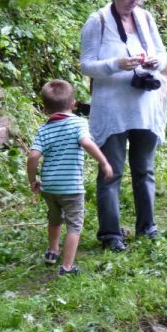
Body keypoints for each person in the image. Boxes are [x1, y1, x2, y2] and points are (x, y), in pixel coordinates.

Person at [80, 0, 167, 252]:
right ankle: (110, 234)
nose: (133, 3)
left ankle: (148, 227)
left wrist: (156, 62)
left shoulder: (145, 17)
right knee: (111, 171)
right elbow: (86, 64)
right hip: (112, 108)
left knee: (144, 169)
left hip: (144, 105)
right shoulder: (98, 21)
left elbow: (163, 52)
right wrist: (116, 64)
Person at [27, 80, 113, 275]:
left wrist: (33, 179)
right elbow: (86, 143)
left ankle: (52, 251)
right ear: (73, 103)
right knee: (74, 225)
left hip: (49, 187)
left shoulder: (44, 129)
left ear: (45, 107)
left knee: (55, 218)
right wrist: (104, 162)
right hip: (71, 188)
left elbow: (33, 156)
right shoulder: (79, 122)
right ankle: (67, 267)